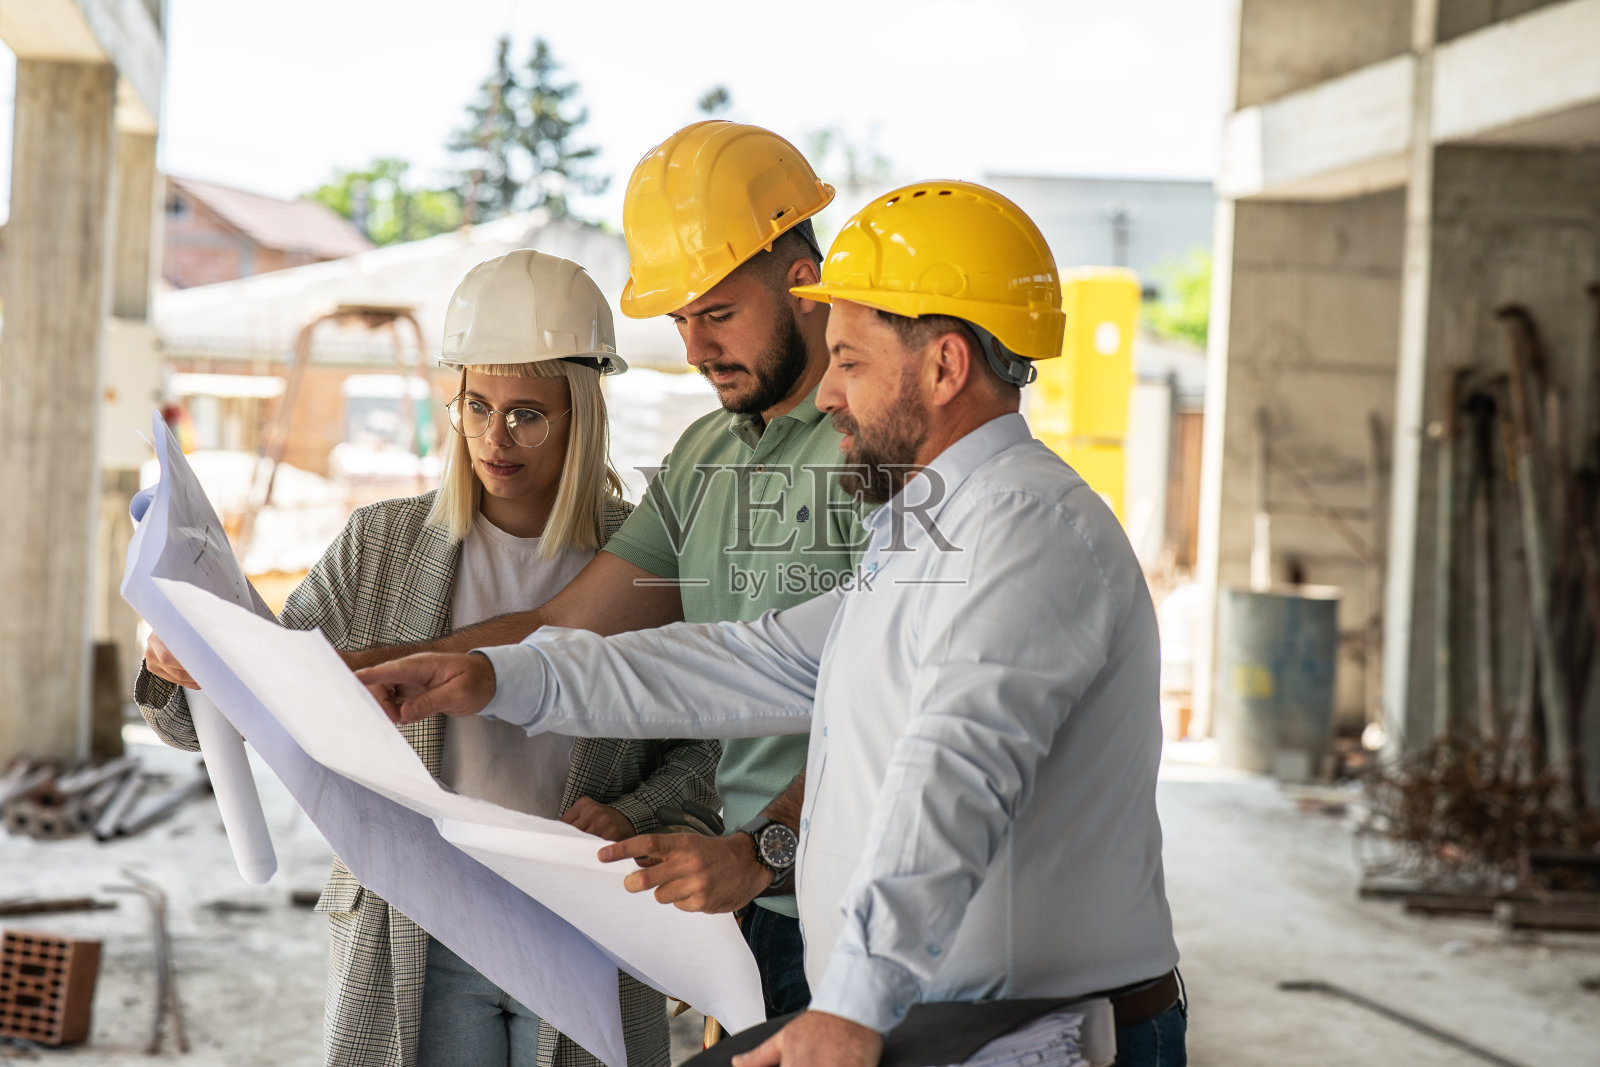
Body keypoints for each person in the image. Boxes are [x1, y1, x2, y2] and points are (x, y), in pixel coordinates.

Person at [357, 182, 1186, 1067]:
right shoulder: (933, 530)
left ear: (944, 366)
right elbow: (751, 660)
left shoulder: (1027, 532)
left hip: (1024, 1036)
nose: (826, 394)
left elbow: (952, 779)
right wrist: (498, 676)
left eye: (853, 363)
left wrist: (853, 1008)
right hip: (944, 1027)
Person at [135, 250, 720, 1067]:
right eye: (475, 406)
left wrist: (635, 813)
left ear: (584, 412)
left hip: (587, 923)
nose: (494, 438)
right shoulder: (382, 545)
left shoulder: (646, 559)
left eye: (527, 414)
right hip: (418, 922)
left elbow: (710, 746)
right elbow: (258, 697)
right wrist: (181, 661)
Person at [342, 120, 866, 1019]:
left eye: (718, 312)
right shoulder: (706, 456)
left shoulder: (878, 452)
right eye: (679, 320)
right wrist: (403, 664)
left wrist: (763, 846)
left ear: (803, 281)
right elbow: (571, 622)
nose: (695, 348)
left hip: (857, 907)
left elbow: (895, 706)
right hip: (743, 911)